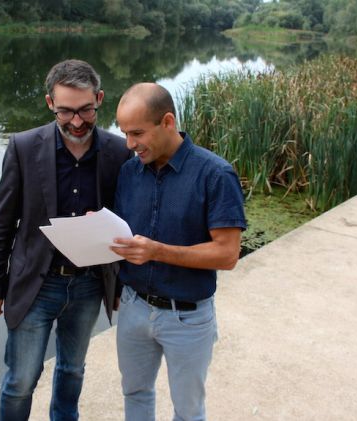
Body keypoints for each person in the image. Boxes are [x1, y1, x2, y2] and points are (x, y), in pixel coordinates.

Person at [0, 59, 133, 421]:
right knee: (20, 380)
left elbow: (126, 223)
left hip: (88, 286)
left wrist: (117, 287)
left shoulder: (118, 151)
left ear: (99, 98)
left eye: (86, 110)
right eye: (66, 112)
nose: (77, 122)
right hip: (35, 283)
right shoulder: (22, 146)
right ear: (50, 103)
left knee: (73, 371)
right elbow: (4, 220)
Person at [110, 82, 247, 421]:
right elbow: (124, 235)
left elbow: (227, 254)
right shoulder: (129, 171)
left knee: (188, 411)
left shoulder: (215, 174)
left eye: (137, 133)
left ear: (167, 122)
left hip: (187, 317)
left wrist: (157, 252)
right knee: (135, 394)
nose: (130, 144)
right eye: (125, 133)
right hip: (133, 308)